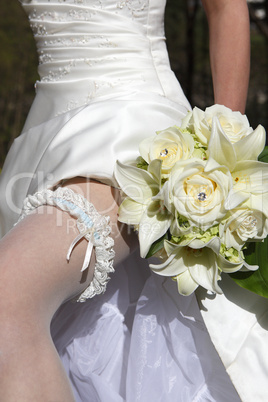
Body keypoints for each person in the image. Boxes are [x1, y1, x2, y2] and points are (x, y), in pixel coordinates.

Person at [0, 0, 265, 401]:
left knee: (8, 299)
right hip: (44, 141)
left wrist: (222, 154)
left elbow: (225, 7)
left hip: (133, 134)